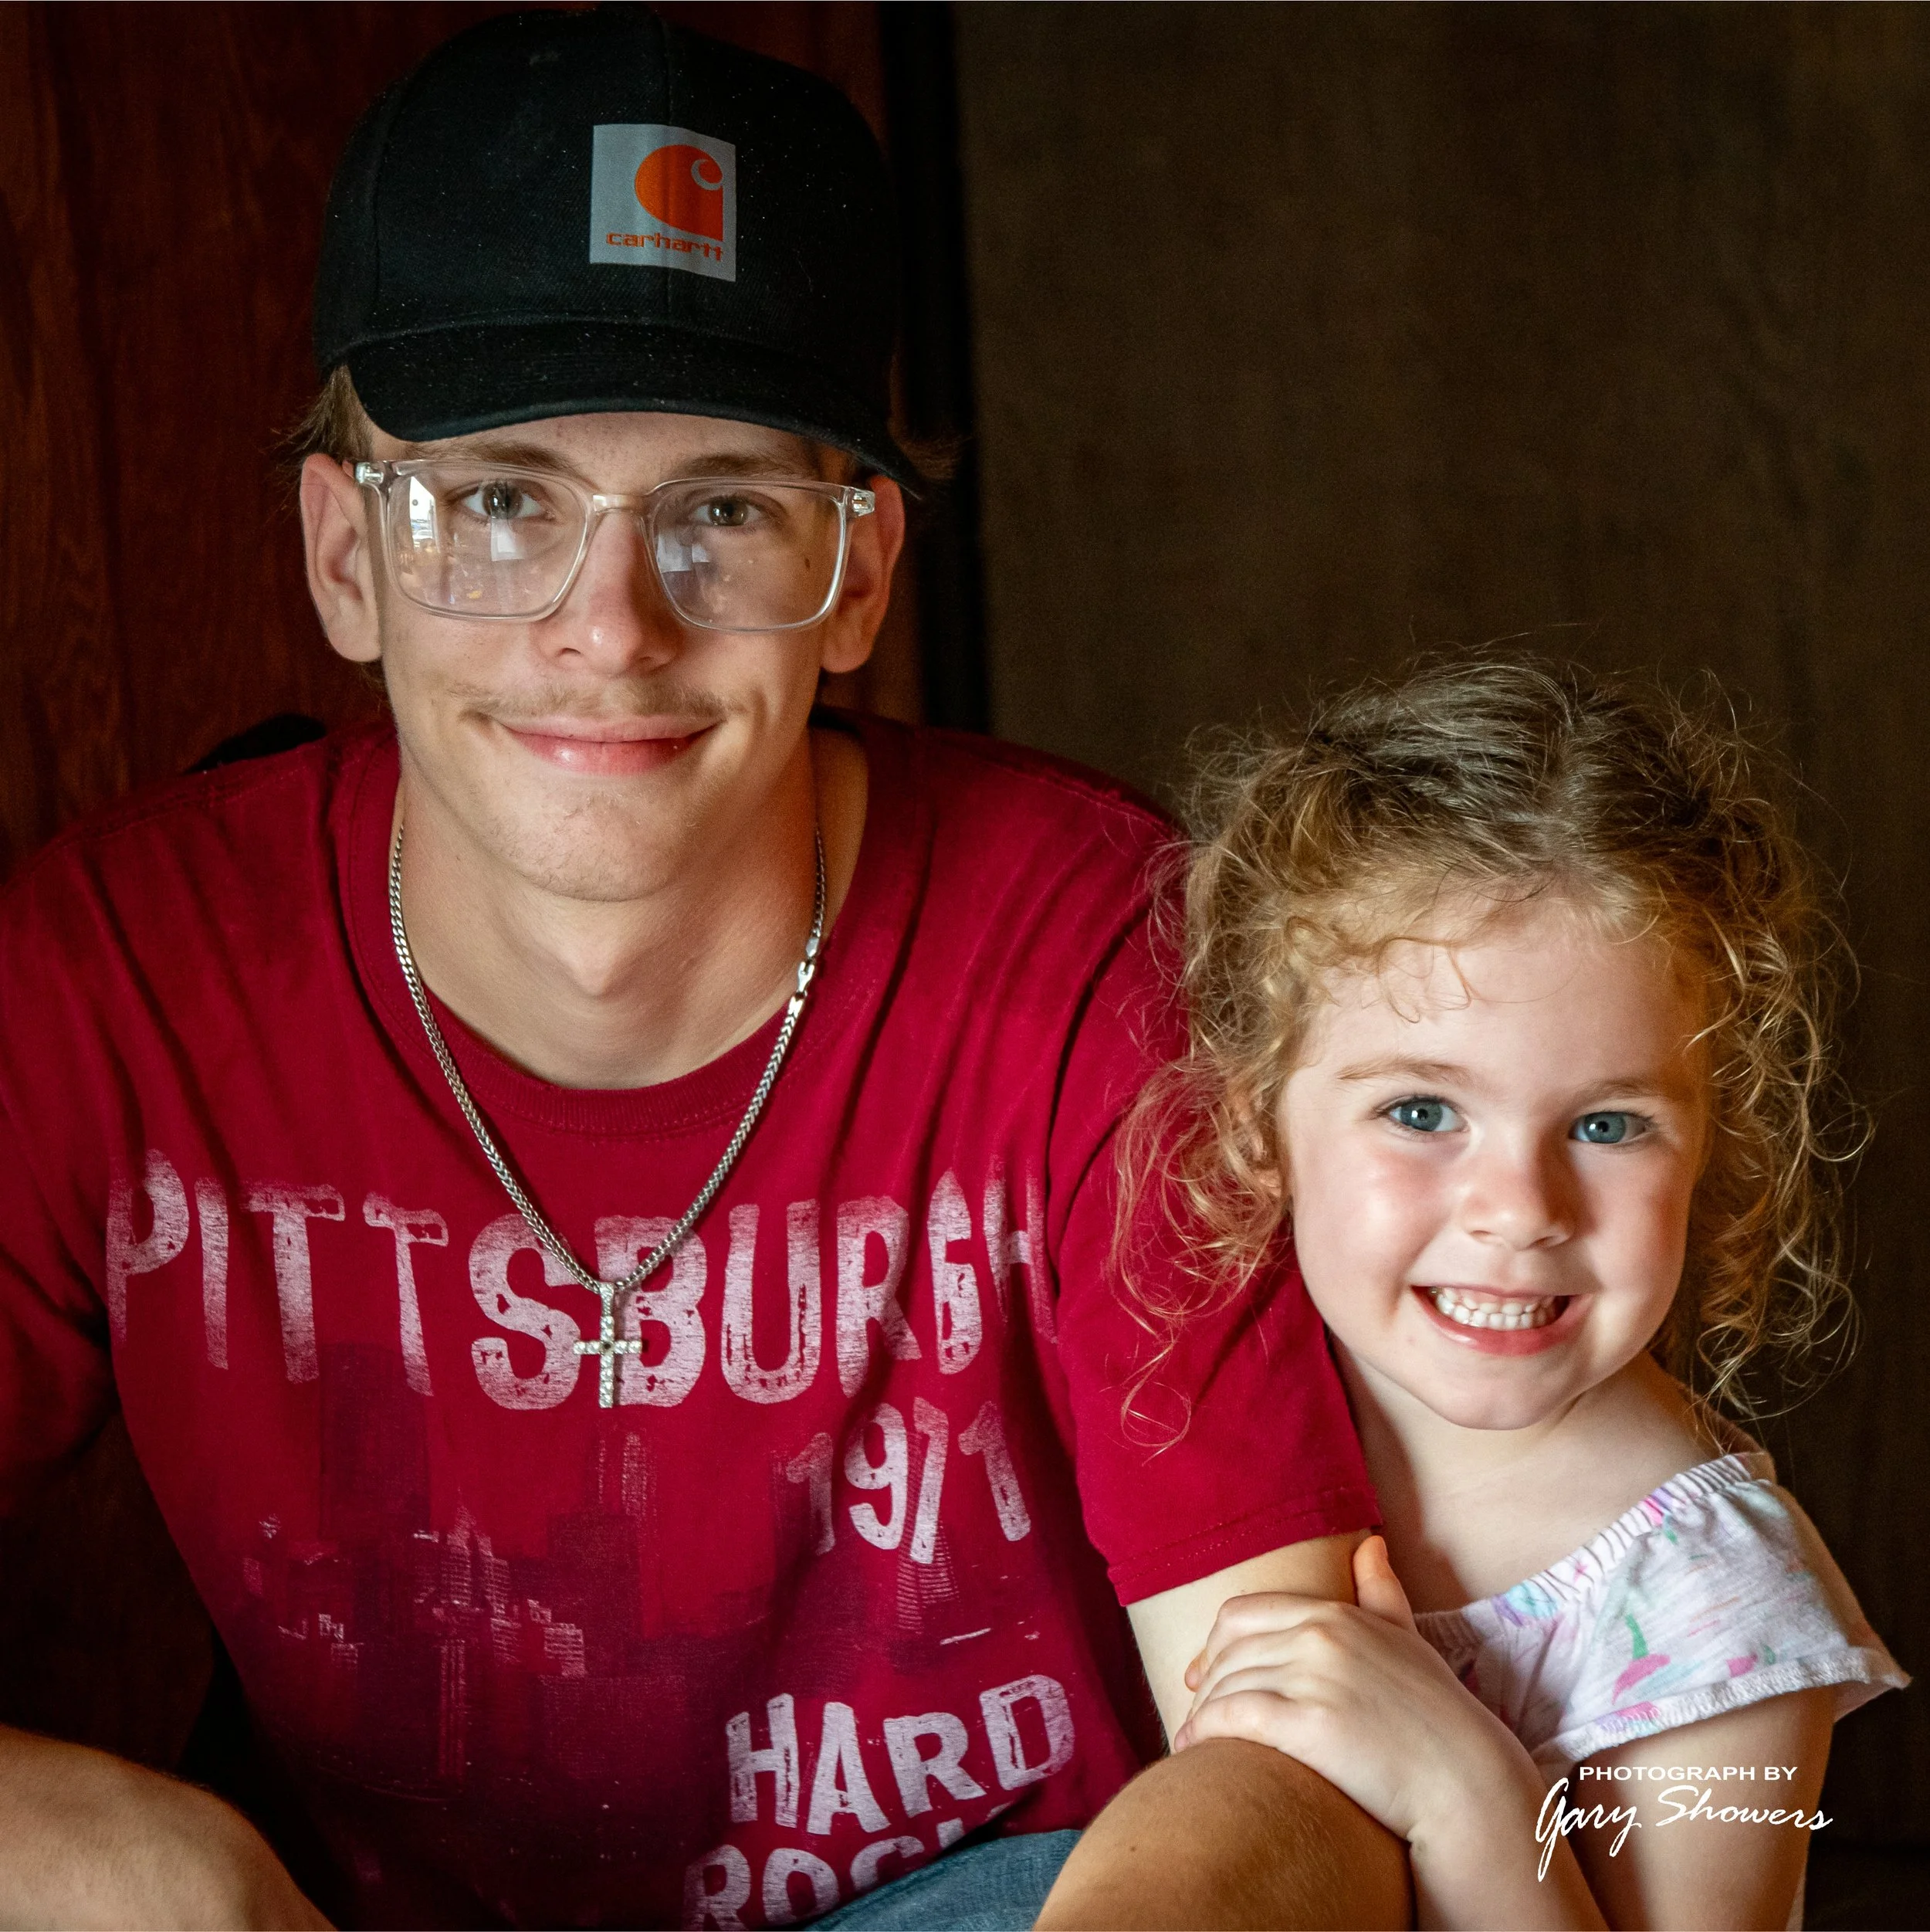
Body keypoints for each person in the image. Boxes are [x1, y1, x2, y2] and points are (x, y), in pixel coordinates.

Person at [0, 10, 1409, 1928]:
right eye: (497, 500)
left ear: (859, 571)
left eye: (722, 510)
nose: (609, 626)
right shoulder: (119, 974)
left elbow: (1300, 1745)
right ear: (344, 556)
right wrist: (136, 1860)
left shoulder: (1098, 945)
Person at [1150, 659, 1907, 1927]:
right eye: (1423, 1109)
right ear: (1256, 1127)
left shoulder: (1719, 1612)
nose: (1522, 1207)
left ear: (1714, 1140)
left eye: (1609, 1123)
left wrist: (1463, 1791)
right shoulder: (1197, 1390)